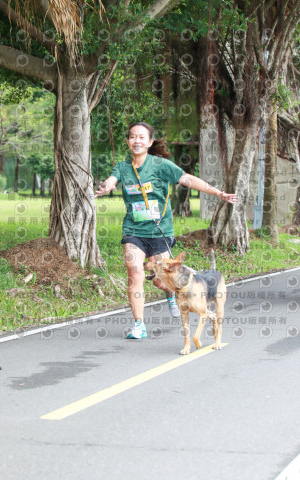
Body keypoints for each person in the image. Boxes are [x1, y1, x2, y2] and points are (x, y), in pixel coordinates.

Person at [95, 122, 238, 339]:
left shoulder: (161, 165)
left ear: (150, 142)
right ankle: (139, 324)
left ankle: (170, 295)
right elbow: (112, 180)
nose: (137, 141)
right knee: (135, 272)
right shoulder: (123, 167)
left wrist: (217, 193)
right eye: (133, 137)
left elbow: (188, 179)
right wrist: (106, 186)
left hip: (160, 230)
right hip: (133, 229)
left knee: (162, 281)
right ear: (128, 141)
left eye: (142, 137)